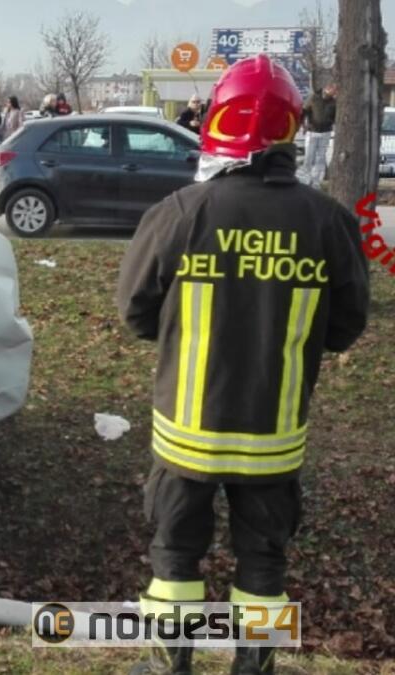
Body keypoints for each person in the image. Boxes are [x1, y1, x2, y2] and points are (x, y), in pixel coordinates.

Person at [116, 54, 369, 675]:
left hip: (185, 437)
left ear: (219, 123)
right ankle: (254, 666)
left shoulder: (181, 212)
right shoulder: (328, 222)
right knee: (265, 562)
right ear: (291, 130)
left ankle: (167, 663)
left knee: (174, 553)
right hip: (274, 440)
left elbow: (135, 313)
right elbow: (346, 328)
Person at [299, 83, 337, 189]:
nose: (334, 92)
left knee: (320, 158)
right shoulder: (314, 98)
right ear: (327, 88)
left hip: (325, 132)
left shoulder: (333, 102)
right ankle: (304, 180)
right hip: (312, 131)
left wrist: (334, 125)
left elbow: (336, 117)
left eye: (335, 90)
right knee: (309, 157)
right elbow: (304, 111)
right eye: (333, 89)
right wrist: (303, 125)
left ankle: (316, 181)